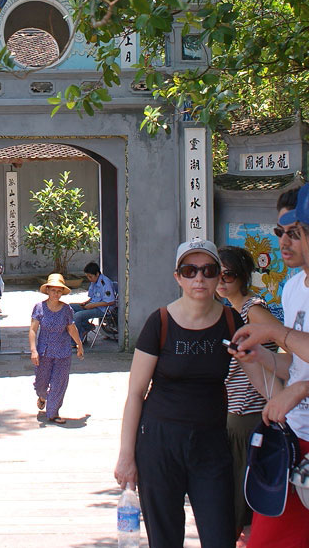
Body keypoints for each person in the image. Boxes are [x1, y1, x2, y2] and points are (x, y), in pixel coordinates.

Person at [114, 238, 265, 548]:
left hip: (210, 444)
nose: (200, 278)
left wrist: (290, 403)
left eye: (209, 271)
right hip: (159, 444)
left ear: (219, 277)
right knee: (165, 539)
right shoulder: (161, 322)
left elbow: (257, 374)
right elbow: (136, 393)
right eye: (190, 270)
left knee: (220, 535)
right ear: (178, 276)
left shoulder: (229, 321)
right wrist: (126, 456)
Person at [230, 184, 309, 548]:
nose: (284, 242)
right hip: (292, 441)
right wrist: (257, 356)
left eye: (294, 233)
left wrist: (275, 331)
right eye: (280, 232)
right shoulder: (293, 288)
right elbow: (292, 365)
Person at [217, 246, 280, 542]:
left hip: (250, 419)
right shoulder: (231, 310)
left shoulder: (251, 308)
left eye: (227, 274)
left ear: (242, 277)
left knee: (239, 513)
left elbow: (283, 339)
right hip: (234, 418)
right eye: (215, 272)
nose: (220, 280)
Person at [29, 273, 83, 424]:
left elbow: (72, 328)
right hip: (44, 352)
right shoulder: (39, 308)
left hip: (62, 352)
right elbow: (33, 330)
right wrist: (33, 350)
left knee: (59, 383)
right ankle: (42, 396)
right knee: (41, 383)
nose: (56, 294)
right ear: (47, 290)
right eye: (53, 290)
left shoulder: (66, 309)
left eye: (59, 291)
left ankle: (53, 413)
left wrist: (79, 344)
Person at [70, 261, 115, 342]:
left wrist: (92, 305)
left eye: (90, 276)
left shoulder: (105, 283)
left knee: (78, 316)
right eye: (87, 276)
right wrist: (86, 303)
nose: (89, 279)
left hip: (103, 309)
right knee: (69, 307)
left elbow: (111, 302)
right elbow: (93, 297)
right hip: (92, 305)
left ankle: (75, 341)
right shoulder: (93, 281)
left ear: (97, 274)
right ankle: (87, 327)